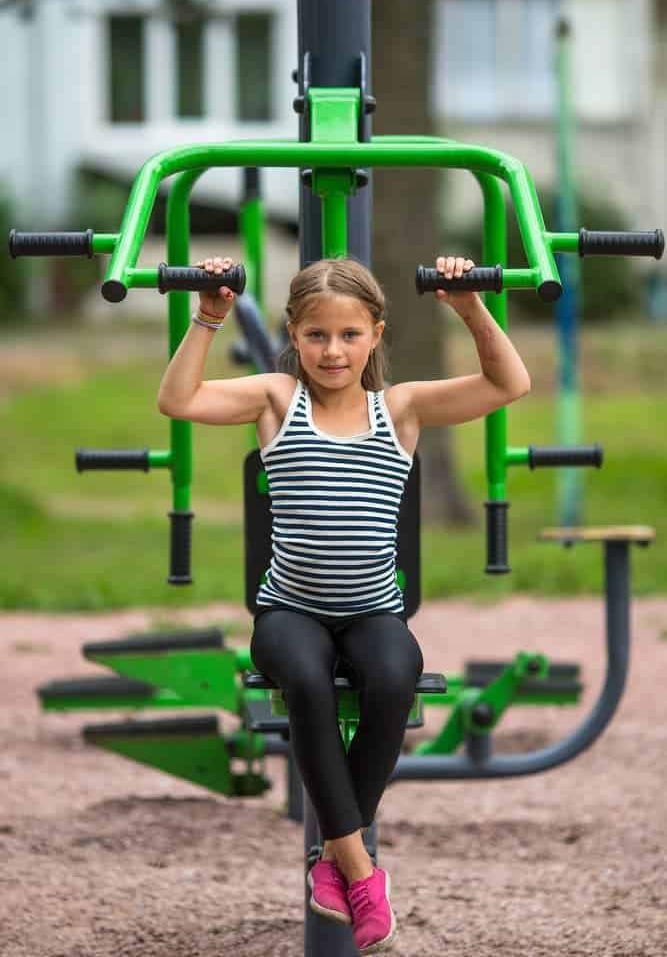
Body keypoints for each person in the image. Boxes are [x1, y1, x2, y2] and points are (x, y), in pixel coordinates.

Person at [157, 253, 530, 954]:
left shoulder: (402, 408)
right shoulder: (275, 399)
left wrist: (468, 305)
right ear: (293, 337)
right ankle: (357, 868)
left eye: (350, 335)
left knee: (393, 676)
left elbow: (510, 383)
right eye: (318, 335)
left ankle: (331, 861)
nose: (333, 351)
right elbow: (178, 400)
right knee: (303, 681)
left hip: (371, 614)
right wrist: (208, 317)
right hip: (289, 613)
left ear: (375, 335)